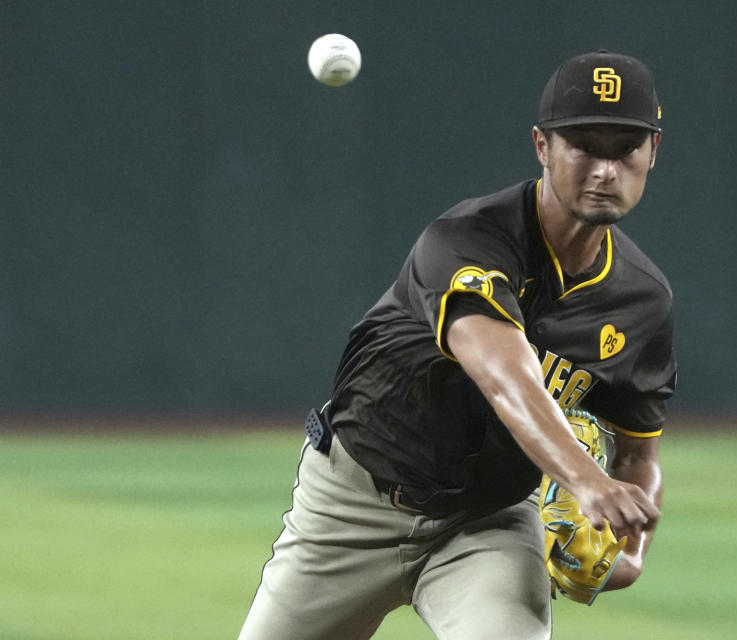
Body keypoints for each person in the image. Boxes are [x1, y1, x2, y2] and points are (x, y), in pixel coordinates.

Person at [239, 49, 677, 640]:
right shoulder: (467, 239)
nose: (604, 169)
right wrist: (584, 478)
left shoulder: (642, 302)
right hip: (352, 505)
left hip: (488, 523)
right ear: (542, 147)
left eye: (624, 148)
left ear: (653, 152)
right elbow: (502, 372)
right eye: (584, 146)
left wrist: (632, 553)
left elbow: (637, 453)